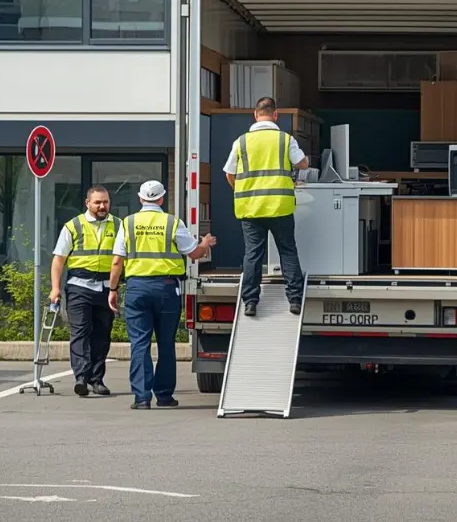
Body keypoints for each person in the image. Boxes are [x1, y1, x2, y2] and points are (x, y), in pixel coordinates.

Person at [109, 180, 216, 410]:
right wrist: (205, 244)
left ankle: (142, 397)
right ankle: (165, 396)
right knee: (166, 343)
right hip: (167, 289)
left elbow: (117, 260)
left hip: (137, 288)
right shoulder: (172, 222)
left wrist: (113, 289)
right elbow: (194, 253)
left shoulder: (128, 223)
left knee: (139, 344)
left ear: (140, 199)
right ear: (161, 199)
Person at [223, 96, 310, 317]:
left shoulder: (241, 141)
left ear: (255, 114)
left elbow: (229, 173)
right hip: (279, 206)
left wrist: (241, 190)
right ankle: (295, 300)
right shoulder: (284, 139)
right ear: (275, 115)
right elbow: (303, 163)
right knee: (287, 251)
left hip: (251, 209)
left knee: (253, 254)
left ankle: (250, 302)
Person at [50, 185, 119, 397]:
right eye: (97, 202)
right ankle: (81, 377)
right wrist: (55, 288)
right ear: (87, 203)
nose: (102, 206)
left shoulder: (119, 225)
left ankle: (97, 380)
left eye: (105, 202)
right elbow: (58, 260)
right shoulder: (73, 226)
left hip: (106, 288)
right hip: (80, 286)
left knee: (102, 335)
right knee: (80, 332)